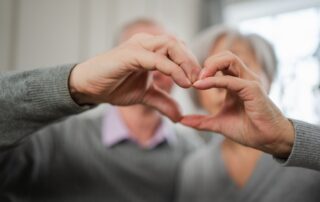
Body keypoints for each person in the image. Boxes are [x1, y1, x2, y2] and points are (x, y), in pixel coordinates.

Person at [0, 19, 202, 202]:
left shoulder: (193, 156)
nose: (155, 69)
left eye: (167, 57)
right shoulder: (54, 139)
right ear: (116, 64)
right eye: (144, 56)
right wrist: (75, 84)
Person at [177, 26, 320, 202]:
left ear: (269, 78)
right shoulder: (193, 169)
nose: (221, 82)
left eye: (237, 66)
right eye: (206, 71)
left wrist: (289, 139)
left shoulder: (312, 153)